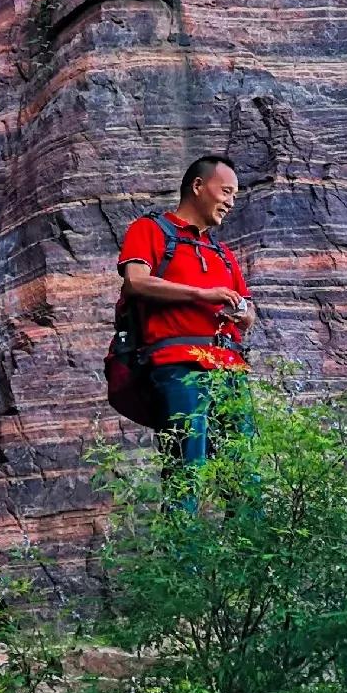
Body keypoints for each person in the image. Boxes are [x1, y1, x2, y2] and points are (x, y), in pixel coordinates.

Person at [116, 155, 256, 467]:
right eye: (227, 192)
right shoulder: (150, 230)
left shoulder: (223, 253)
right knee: (186, 470)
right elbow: (135, 282)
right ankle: (182, 519)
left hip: (230, 371)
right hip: (178, 367)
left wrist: (241, 310)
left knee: (245, 477)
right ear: (198, 186)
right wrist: (202, 295)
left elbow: (249, 315)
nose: (231, 203)